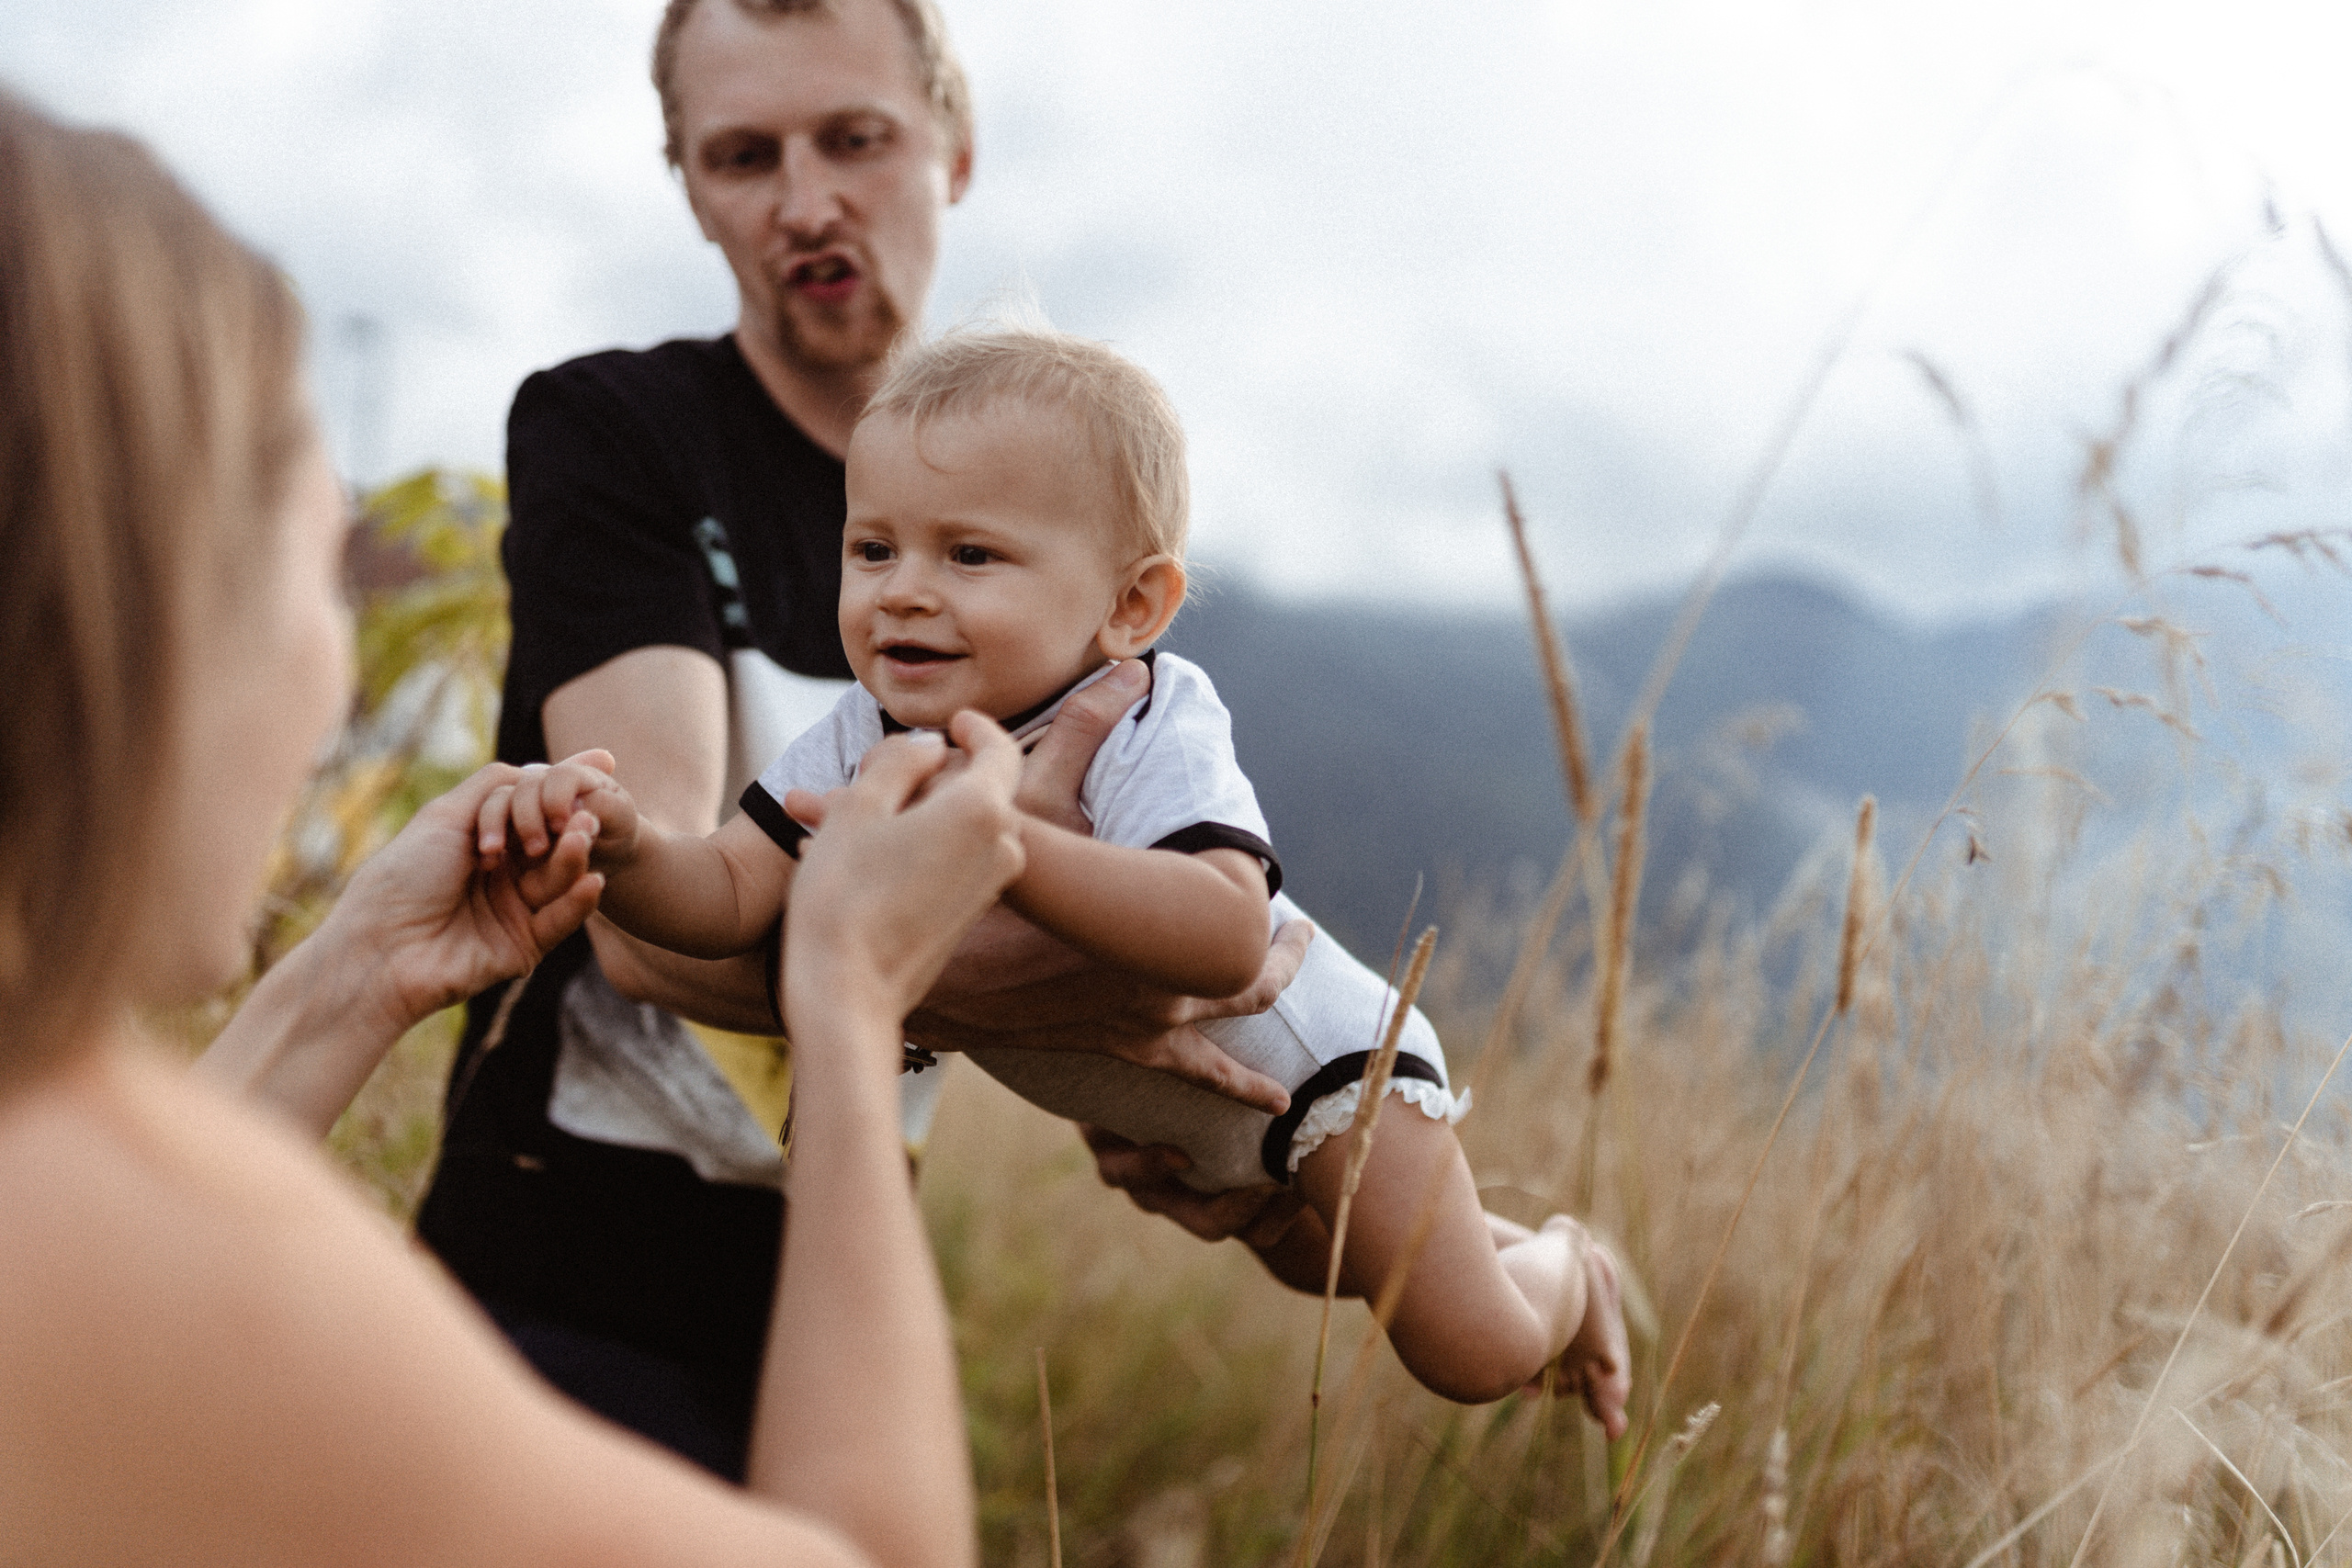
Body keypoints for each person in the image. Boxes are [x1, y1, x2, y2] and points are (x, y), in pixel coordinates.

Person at [0, 86, 1015, 1566]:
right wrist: (852, 1005)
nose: (337, 666)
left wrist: (354, 970)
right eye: (320, 562)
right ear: (134, 617)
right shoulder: (161, 1252)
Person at [406, 0, 1309, 1482]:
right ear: (688, 184)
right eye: (744, 155)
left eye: (857, 139)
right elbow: (654, 936)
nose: (807, 201)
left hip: (834, 1286)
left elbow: (1123, 873)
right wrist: (1075, 999)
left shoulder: (1050, 496)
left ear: (953, 149)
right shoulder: (620, 432)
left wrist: (1207, 1100)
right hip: (557, 1296)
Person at [494, 326, 1633, 1420]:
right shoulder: (862, 731)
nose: (902, 590)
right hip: (1195, 1124)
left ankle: (1573, 1268)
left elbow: (1228, 933)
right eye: (873, 548)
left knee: (1466, 1349)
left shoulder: (1141, 716)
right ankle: (1500, 1253)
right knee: (1318, 1271)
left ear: (1130, 606)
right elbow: (732, 898)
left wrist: (1010, 848)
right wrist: (633, 849)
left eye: (970, 554)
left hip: (1331, 1077)